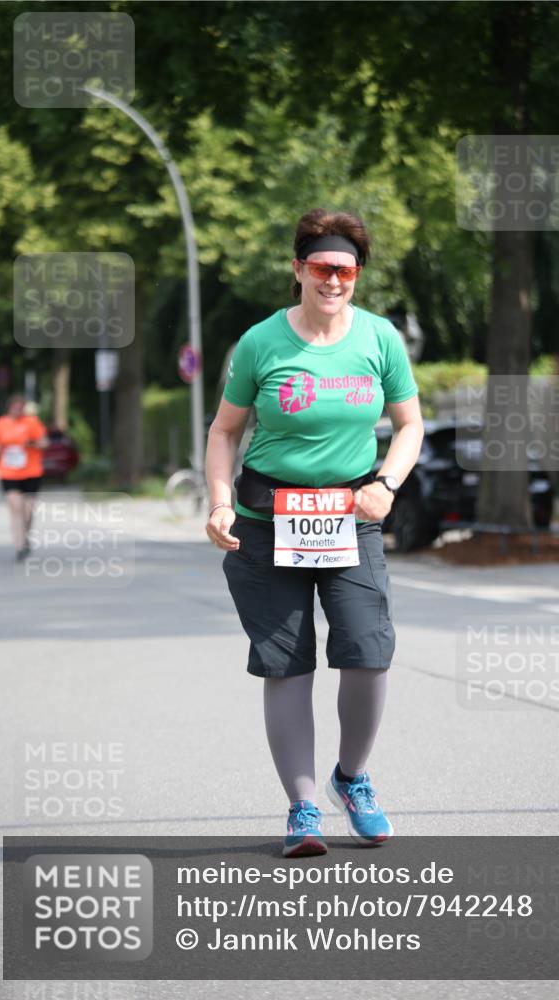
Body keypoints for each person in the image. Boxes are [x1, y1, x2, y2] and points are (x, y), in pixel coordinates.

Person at [206, 209, 423, 857]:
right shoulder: (260, 343)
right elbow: (224, 432)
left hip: (349, 519)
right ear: (298, 270)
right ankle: (302, 808)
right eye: (322, 268)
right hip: (266, 522)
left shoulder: (379, 339)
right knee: (287, 663)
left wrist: (385, 484)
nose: (334, 281)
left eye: (346, 272)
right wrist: (218, 503)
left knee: (367, 650)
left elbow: (408, 425)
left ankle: (350, 779)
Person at [0, 394, 48, 561]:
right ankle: (19, 544)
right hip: (8, 472)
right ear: (9, 407)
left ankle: (26, 535)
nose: (18, 409)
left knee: (28, 510)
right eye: (15, 406)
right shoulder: (1, 423)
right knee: (15, 506)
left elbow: (44, 443)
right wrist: (3, 447)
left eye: (21, 406)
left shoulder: (32, 422)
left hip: (31, 471)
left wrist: (29, 444)